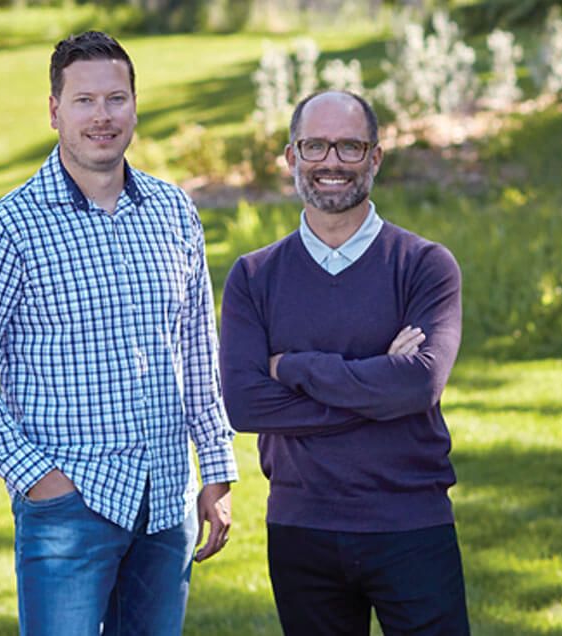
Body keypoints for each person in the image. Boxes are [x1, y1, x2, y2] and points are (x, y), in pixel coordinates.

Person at [0, 31, 237, 635]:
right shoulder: (5, 230)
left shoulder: (174, 212)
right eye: (84, 101)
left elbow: (199, 347)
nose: (103, 116)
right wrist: (36, 478)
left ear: (134, 106)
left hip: (167, 499)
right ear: (54, 111)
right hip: (69, 509)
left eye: (116, 99)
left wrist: (218, 470)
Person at [219, 90, 470, 635]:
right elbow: (243, 403)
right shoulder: (255, 276)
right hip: (301, 528)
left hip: (411, 525)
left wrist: (293, 369)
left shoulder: (425, 265)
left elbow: (419, 384)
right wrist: (377, 385)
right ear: (292, 157)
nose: (331, 162)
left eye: (350, 147)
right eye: (315, 146)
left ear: (375, 158)